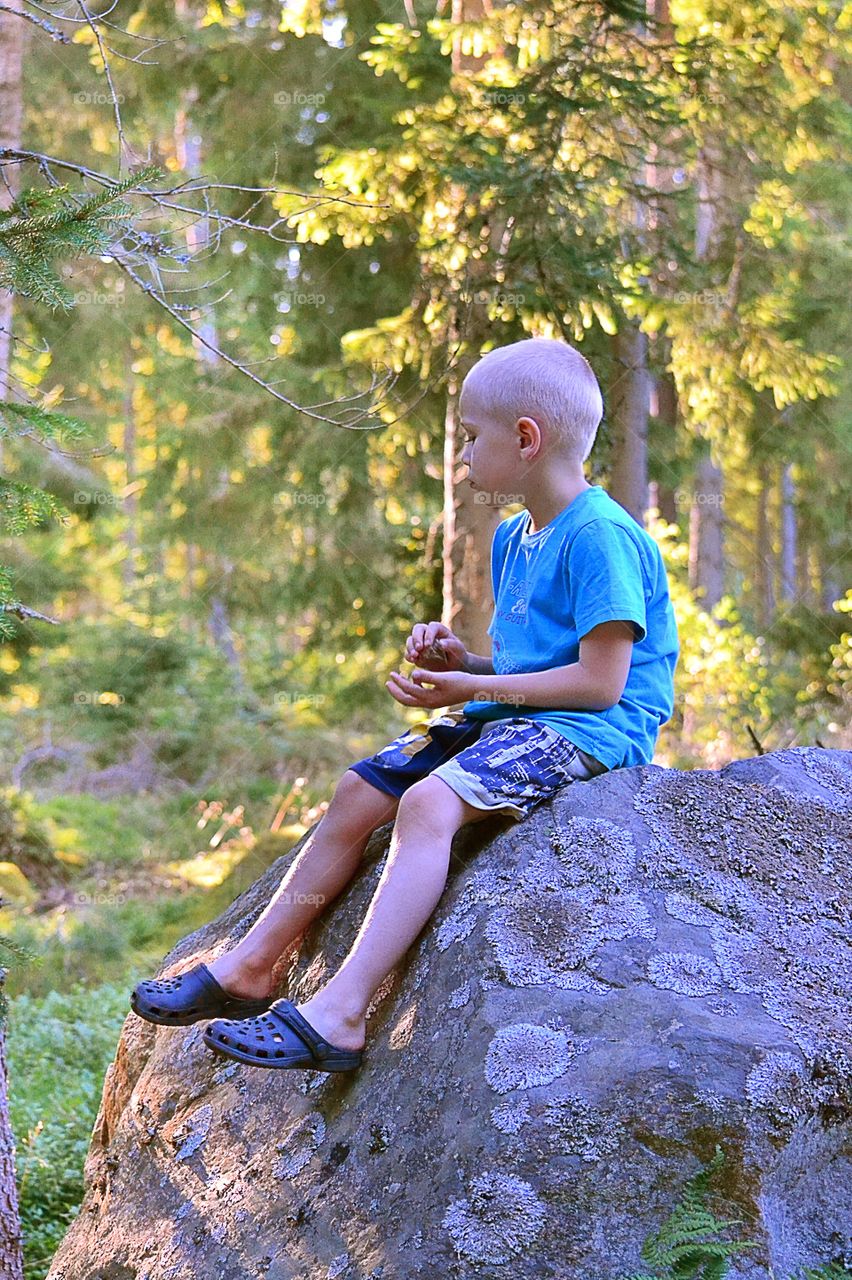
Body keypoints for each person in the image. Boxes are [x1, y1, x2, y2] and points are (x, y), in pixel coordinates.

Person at [130, 336, 679, 1074]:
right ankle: (252, 967)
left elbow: (598, 685)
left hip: (590, 731)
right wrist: (465, 664)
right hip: (520, 714)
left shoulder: (601, 535)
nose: (462, 456)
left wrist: (474, 689)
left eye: (470, 437)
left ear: (525, 439)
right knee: (360, 789)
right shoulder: (517, 535)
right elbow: (534, 665)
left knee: (428, 805)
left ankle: (342, 1013)